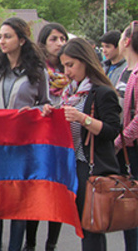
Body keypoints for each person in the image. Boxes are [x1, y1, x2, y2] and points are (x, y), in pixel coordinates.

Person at [0, 17, 51, 251]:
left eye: (7, 36)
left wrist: (32, 111)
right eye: (0, 36)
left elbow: (46, 104)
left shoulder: (38, 70)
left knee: (18, 203)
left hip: (24, 143)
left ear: (22, 40)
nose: (1, 41)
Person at [49, 38, 121, 251]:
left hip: (91, 168)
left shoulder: (102, 92)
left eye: (70, 65)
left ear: (85, 61)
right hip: (73, 165)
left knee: (91, 227)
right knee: (84, 224)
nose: (66, 71)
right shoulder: (69, 92)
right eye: (63, 66)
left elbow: (111, 131)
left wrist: (83, 119)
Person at [24, 23, 70, 251]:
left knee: (57, 193)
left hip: (62, 142)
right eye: (54, 39)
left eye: (63, 38)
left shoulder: (72, 72)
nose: (60, 43)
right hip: (38, 141)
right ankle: (30, 242)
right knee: (35, 191)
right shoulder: (35, 70)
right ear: (43, 42)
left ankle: (51, 244)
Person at [113, 21, 138, 251]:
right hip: (125, 148)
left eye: (121, 37)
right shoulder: (124, 71)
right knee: (129, 206)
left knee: (134, 204)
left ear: (127, 41)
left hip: (132, 147)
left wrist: (119, 142)